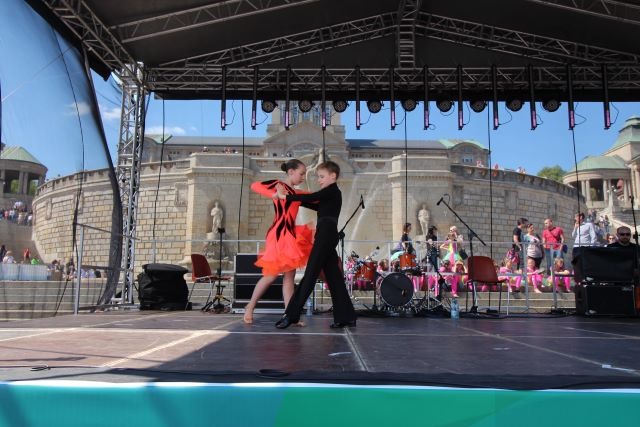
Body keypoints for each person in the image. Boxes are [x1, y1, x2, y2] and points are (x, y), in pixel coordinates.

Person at [275, 161, 356, 329]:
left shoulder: (331, 191)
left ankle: (291, 315)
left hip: (325, 236)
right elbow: (311, 202)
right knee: (334, 278)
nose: (319, 180)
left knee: (310, 274)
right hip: (327, 235)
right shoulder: (330, 194)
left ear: (333, 176)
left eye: (321, 176)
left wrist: (286, 197)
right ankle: (346, 316)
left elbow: (311, 198)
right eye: (318, 177)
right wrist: (293, 198)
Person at [243, 159, 314, 324]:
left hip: (291, 235)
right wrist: (274, 195)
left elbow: (315, 198)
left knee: (289, 277)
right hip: (278, 234)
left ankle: (290, 315)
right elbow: (255, 185)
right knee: (271, 275)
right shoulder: (278, 185)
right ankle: (250, 306)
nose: (303, 177)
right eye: (301, 173)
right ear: (291, 172)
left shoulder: (297, 193)